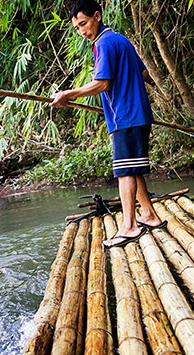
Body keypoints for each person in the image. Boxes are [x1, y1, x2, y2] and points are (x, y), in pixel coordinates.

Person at [51, 0, 165, 248]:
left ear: (97, 16)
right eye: (77, 28)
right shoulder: (120, 39)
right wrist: (125, 87)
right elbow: (142, 73)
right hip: (136, 114)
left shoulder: (103, 43)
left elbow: (102, 83)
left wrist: (68, 94)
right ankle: (150, 215)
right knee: (132, 168)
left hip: (126, 117)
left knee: (124, 172)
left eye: (84, 23)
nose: (82, 31)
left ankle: (130, 227)